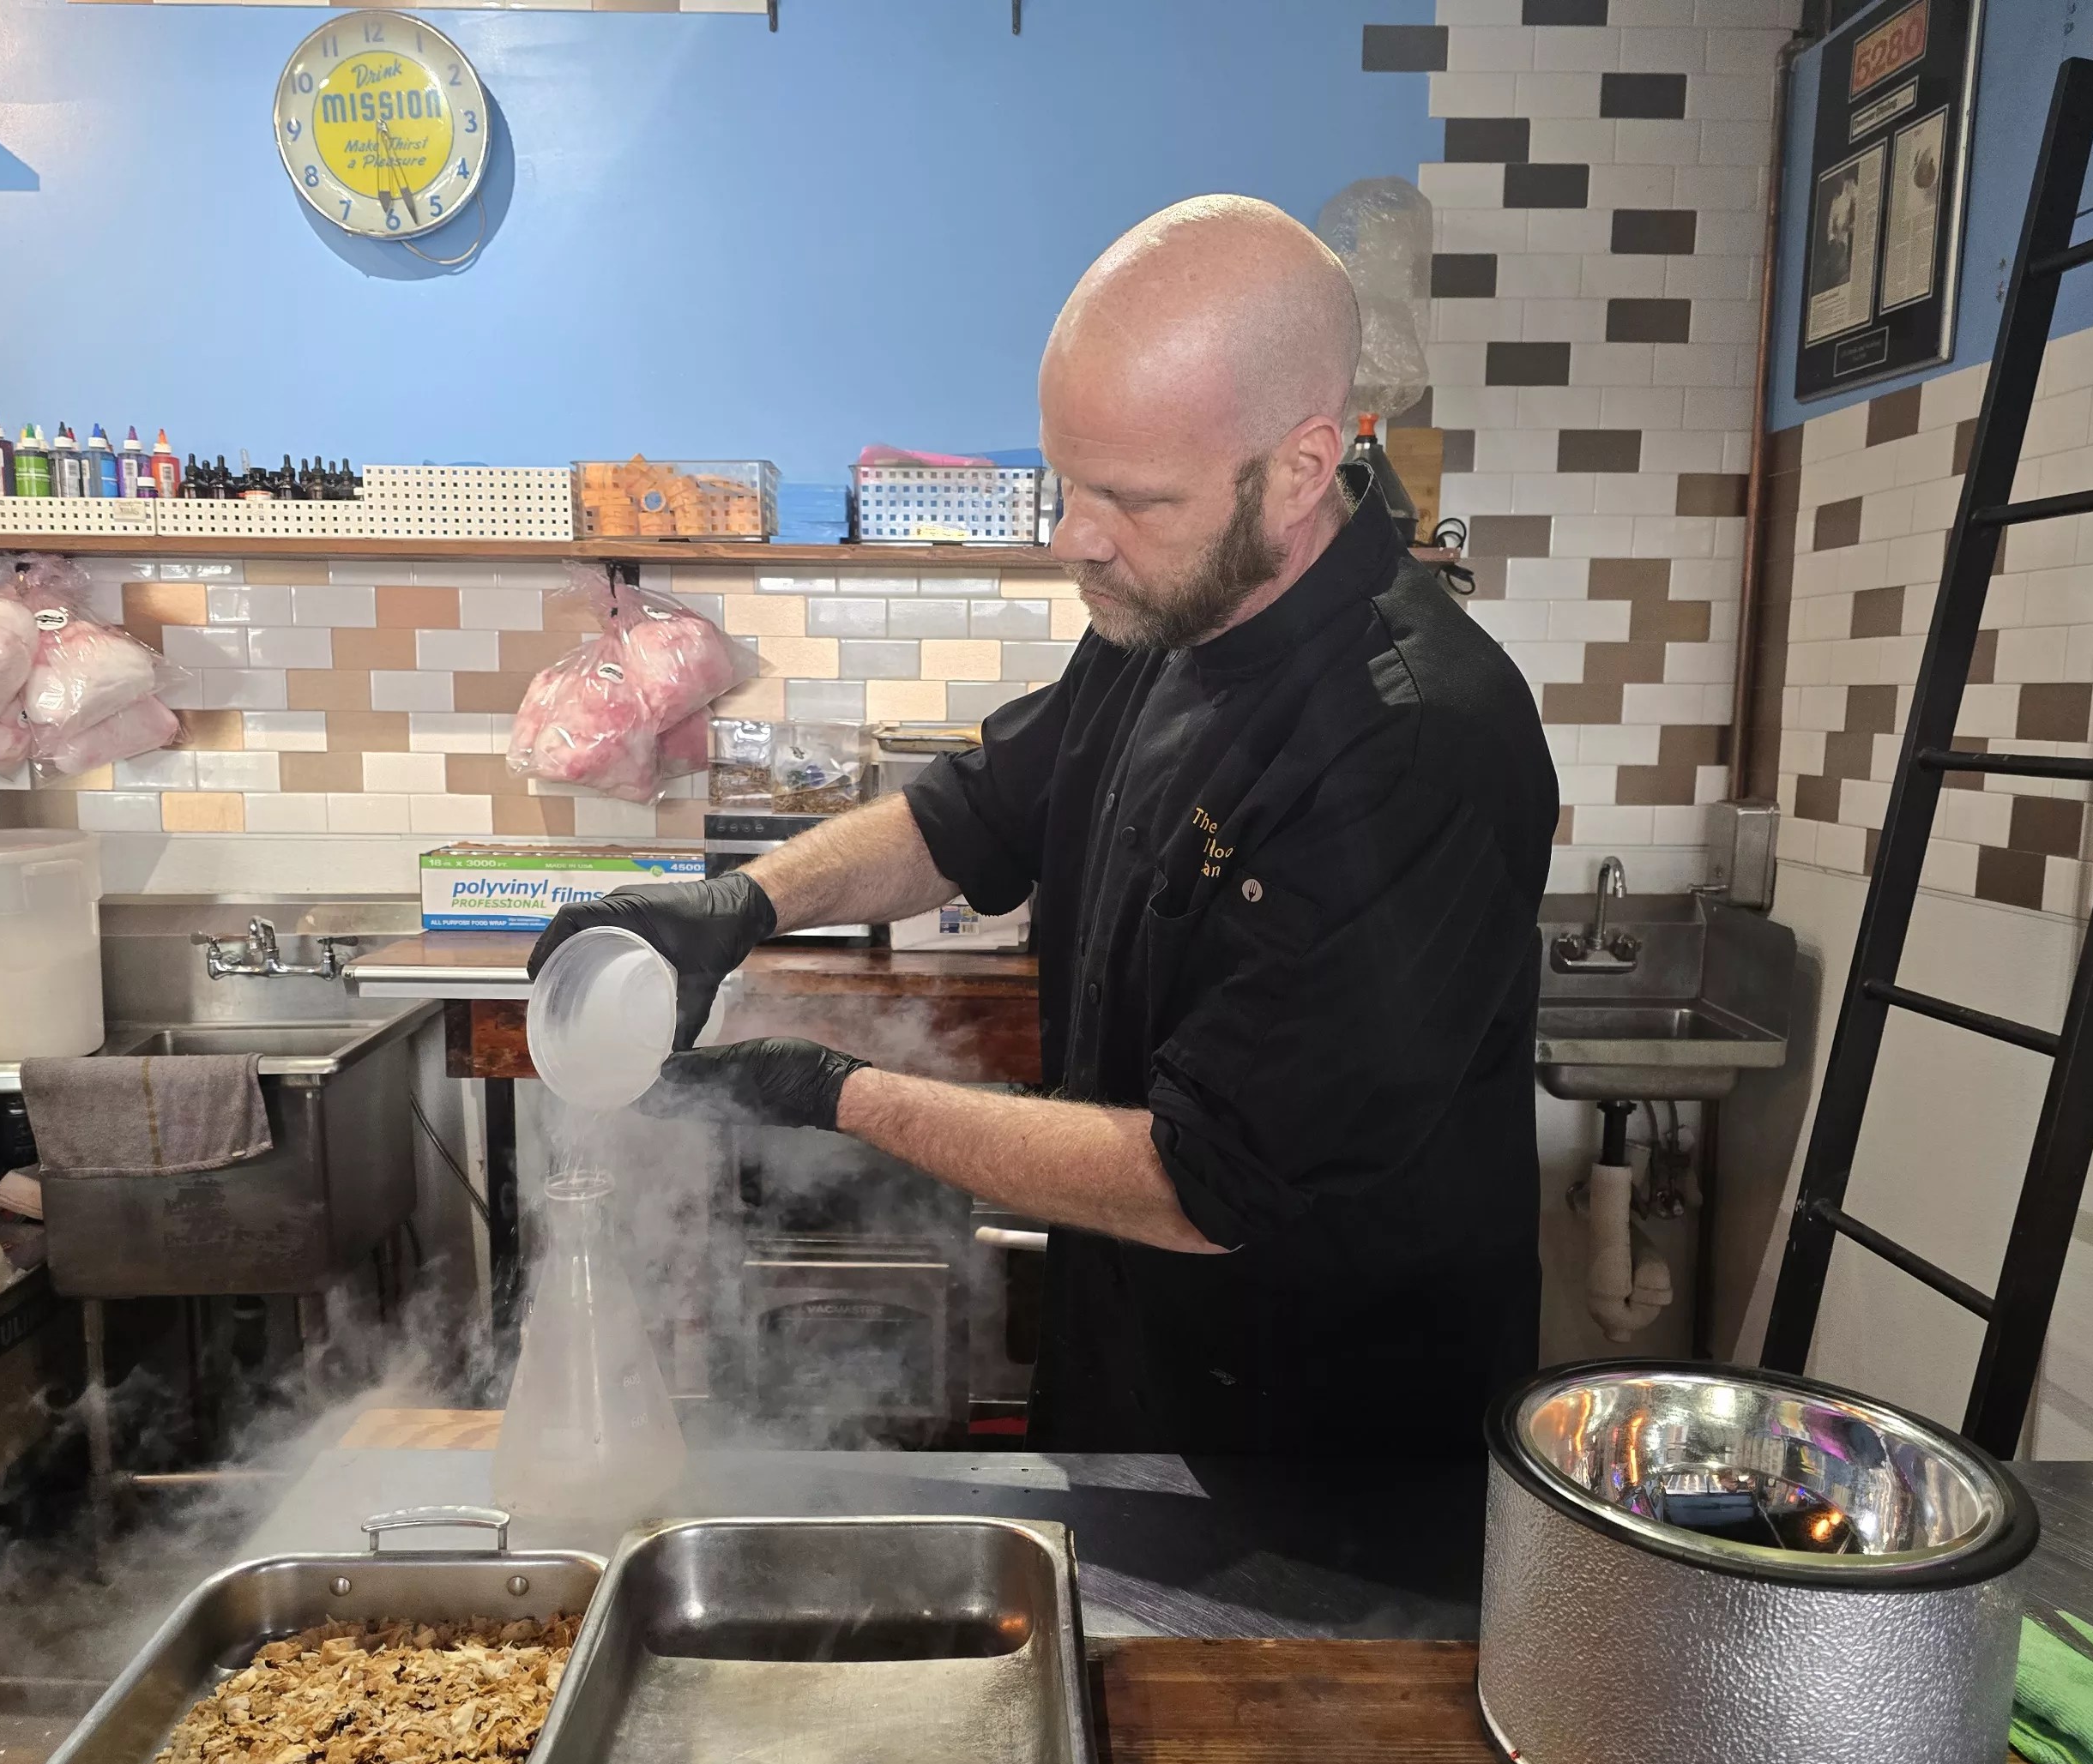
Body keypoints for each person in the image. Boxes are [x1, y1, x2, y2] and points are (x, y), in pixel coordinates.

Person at [529, 195, 1557, 1457]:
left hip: (1327, 1460)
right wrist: (744, 903)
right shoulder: (1170, 614)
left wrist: (831, 1092)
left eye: (1129, 497)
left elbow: (1203, 1181)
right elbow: (973, 814)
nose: (1074, 540)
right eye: (1067, 482)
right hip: (1131, 1379)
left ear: (1301, 467)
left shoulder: (1413, 743)